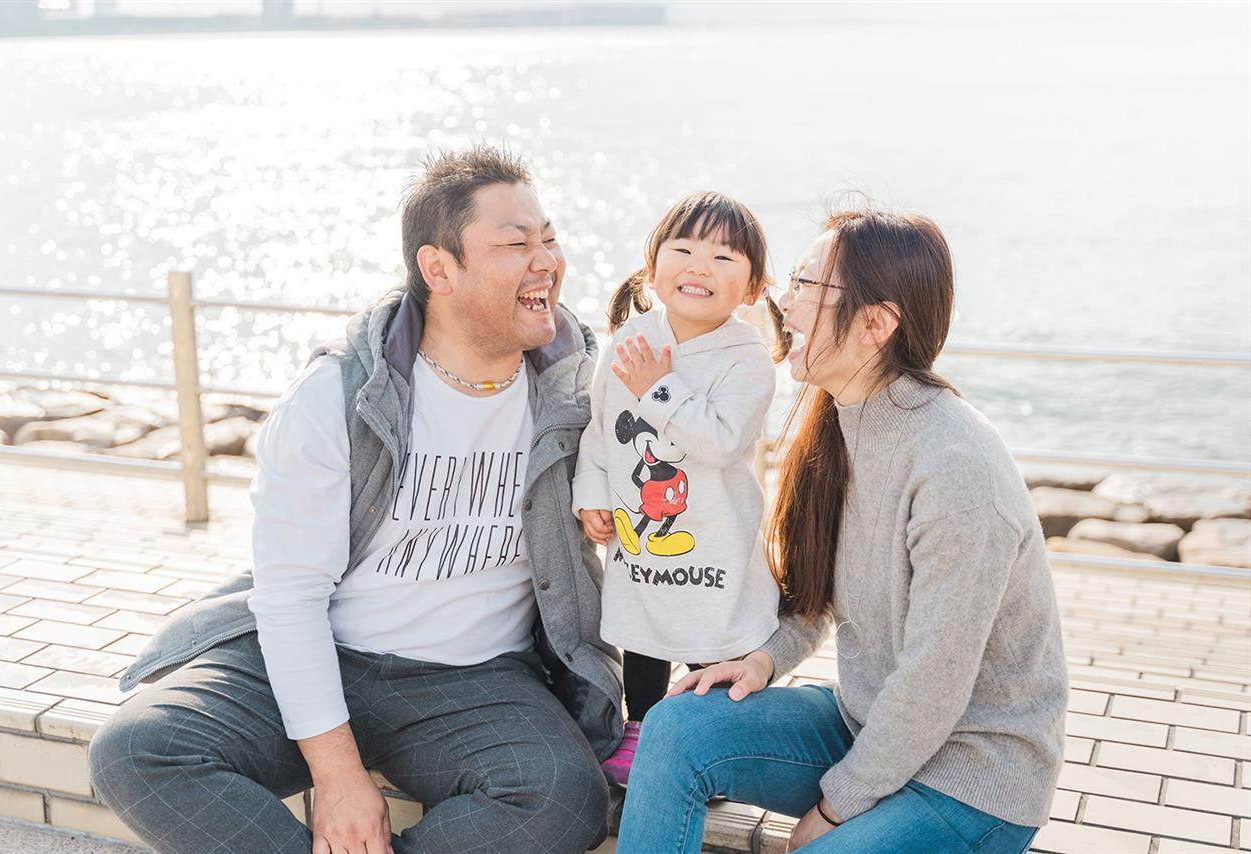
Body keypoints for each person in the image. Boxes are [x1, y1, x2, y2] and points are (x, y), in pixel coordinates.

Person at [88, 145, 622, 854]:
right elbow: (290, 596)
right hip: (324, 649)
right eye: (516, 244)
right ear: (439, 270)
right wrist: (337, 777)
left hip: (480, 680)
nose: (546, 262)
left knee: (564, 798)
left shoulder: (581, 390)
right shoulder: (337, 397)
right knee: (136, 752)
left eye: (550, 239)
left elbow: (677, 503)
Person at [616, 209, 1068, 853]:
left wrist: (834, 809)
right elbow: (814, 597)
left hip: (973, 779)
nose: (783, 302)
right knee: (675, 726)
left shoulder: (957, 468)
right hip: (868, 726)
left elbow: (933, 683)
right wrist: (764, 658)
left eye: (808, 284)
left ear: (874, 324)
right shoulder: (838, 421)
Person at [571, 191, 791, 785]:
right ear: (652, 267)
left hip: (713, 544)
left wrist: (658, 388)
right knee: (644, 632)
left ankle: (714, 743)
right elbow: (600, 427)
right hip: (640, 534)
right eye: (685, 250)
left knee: (711, 639)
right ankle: (641, 725)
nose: (700, 267)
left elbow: (720, 440)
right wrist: (592, 489)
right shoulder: (631, 340)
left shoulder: (746, 360)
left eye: (723, 257)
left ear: (753, 287)